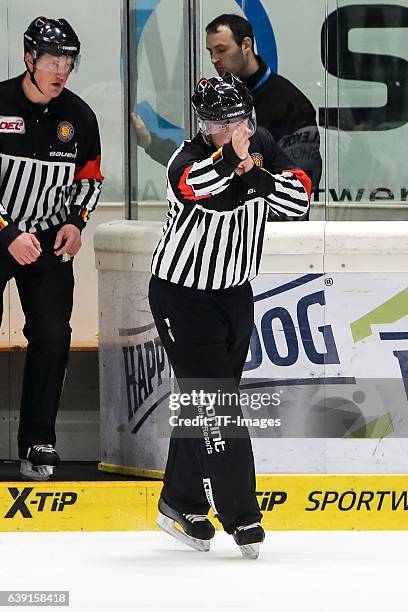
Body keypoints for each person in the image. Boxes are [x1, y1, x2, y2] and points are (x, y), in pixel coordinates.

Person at [148, 73, 310, 558]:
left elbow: (297, 200)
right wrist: (237, 167)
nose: (239, 130)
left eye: (243, 119)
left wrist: (253, 173)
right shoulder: (187, 160)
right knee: (217, 403)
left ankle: (179, 500)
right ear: (204, 126)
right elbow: (206, 193)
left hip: (236, 294)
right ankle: (243, 515)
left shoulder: (259, 143)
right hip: (182, 296)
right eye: (225, 124)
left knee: (207, 399)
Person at [0, 16, 103, 480]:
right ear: (29, 59)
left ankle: (37, 441)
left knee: (52, 335)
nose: (61, 70)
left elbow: (89, 180)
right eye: (52, 60)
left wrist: (75, 223)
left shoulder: (79, 117)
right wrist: (6, 233)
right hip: (1, 232)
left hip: (46, 239)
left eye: (68, 62)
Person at [205, 13, 322, 196]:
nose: (214, 59)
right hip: (227, 216)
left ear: (246, 45)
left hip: (273, 220)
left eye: (221, 50)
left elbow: (302, 183)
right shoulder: (218, 100)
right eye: (210, 52)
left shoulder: (290, 102)